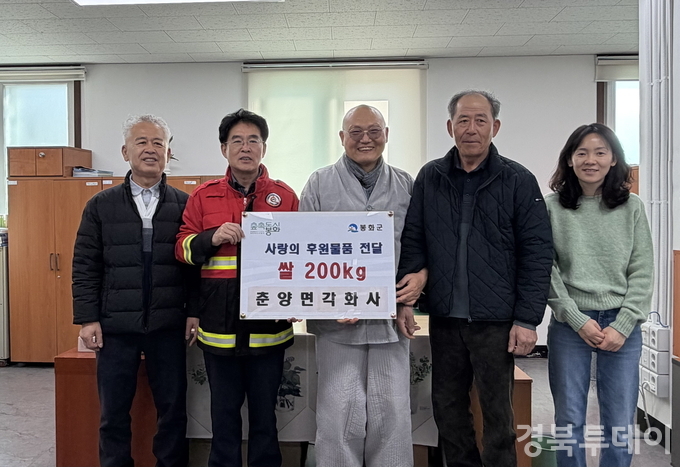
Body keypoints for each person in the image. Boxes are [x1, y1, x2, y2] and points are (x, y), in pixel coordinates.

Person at [397, 90, 553, 467]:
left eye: (480, 120)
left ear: (494, 127)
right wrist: (407, 298)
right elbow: (414, 239)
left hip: (495, 321)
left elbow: (537, 252)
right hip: (445, 318)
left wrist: (527, 319)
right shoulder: (431, 176)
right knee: (448, 410)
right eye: (463, 120)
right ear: (449, 126)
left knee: (498, 416)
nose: (471, 128)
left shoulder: (518, 180)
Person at [299, 104, 425, 467]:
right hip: (336, 323)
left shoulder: (406, 184)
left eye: (374, 131)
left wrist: (418, 283)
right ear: (342, 137)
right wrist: (323, 301)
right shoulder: (319, 183)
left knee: (392, 411)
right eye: (355, 132)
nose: (365, 139)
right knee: (338, 411)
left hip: (390, 318)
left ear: (386, 135)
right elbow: (304, 247)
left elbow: (419, 245)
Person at [175, 109, 299, 467]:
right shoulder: (203, 196)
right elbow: (182, 249)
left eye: (253, 141)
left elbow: (301, 254)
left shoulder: (285, 197)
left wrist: (298, 298)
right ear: (224, 149)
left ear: (264, 148)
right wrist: (210, 238)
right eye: (237, 141)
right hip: (219, 330)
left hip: (268, 332)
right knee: (224, 417)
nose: (246, 148)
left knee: (265, 419)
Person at [73, 114, 198, 467]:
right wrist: (87, 318)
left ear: (168, 153)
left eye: (158, 143)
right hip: (115, 328)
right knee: (113, 413)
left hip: (168, 326)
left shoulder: (185, 204)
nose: (150, 149)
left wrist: (193, 311)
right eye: (141, 142)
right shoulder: (101, 205)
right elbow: (85, 265)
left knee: (173, 410)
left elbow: (195, 267)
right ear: (125, 151)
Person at [546, 123, 654, 467]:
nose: (590, 160)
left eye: (600, 152)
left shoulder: (632, 207)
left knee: (619, 421)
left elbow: (642, 270)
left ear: (613, 160)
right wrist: (576, 318)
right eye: (582, 153)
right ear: (570, 159)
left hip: (622, 324)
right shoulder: (552, 207)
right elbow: (546, 269)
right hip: (570, 325)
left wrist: (623, 324)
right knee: (569, 418)